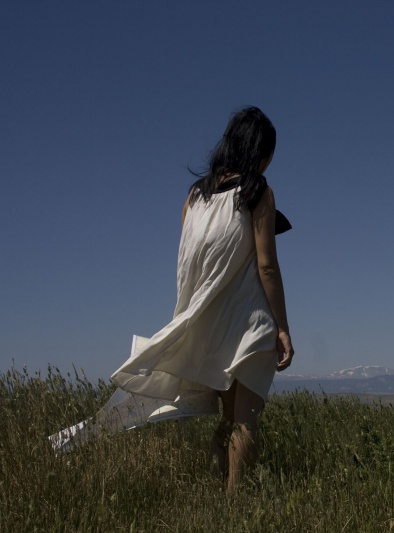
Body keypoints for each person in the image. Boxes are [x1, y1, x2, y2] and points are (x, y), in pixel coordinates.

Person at [111, 106, 294, 492]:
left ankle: (217, 491)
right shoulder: (258, 191)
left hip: (211, 326)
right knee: (247, 420)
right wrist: (283, 328)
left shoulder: (196, 195)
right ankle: (235, 504)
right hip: (249, 324)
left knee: (227, 420)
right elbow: (267, 269)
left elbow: (194, 263)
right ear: (260, 152)